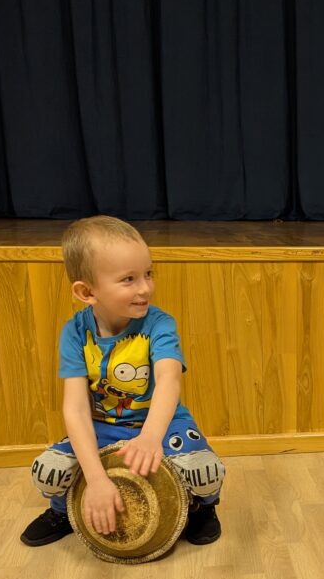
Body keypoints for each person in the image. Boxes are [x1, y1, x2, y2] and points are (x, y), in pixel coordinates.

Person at [21, 215, 224, 547]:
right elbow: (75, 409)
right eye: (128, 279)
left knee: (205, 470)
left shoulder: (159, 324)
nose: (145, 288)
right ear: (86, 291)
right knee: (49, 470)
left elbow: (169, 380)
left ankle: (203, 508)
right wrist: (96, 479)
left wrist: (150, 437)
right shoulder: (74, 333)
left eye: (148, 274)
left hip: (162, 424)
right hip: (103, 426)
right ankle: (62, 510)